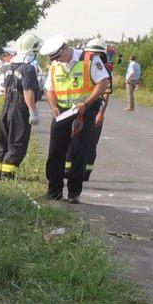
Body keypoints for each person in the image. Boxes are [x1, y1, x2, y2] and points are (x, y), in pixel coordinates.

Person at [42, 34, 110, 202]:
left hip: (84, 111)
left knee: (79, 152)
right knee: (56, 152)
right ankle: (54, 190)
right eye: (54, 59)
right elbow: (49, 89)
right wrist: (54, 107)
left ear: (65, 48)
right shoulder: (55, 65)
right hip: (62, 112)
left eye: (59, 56)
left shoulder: (89, 59)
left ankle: (74, 193)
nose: (58, 61)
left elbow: (103, 83)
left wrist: (86, 104)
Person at [0, 32, 42, 179]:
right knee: (17, 144)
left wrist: (6, 108)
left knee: (3, 143)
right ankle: (7, 175)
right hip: (19, 109)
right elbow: (27, 91)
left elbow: (6, 90)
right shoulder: (28, 68)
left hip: (6, 108)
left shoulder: (9, 66)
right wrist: (33, 111)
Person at [79, 37, 113, 183]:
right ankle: (70, 170)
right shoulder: (80, 67)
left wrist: (100, 114)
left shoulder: (104, 71)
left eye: (97, 54)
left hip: (93, 110)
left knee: (91, 143)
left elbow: (106, 95)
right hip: (79, 109)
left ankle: (86, 172)